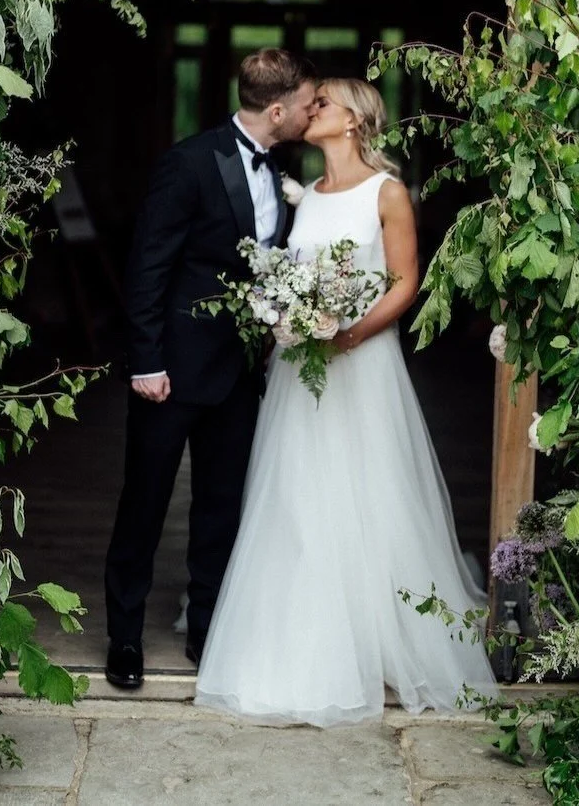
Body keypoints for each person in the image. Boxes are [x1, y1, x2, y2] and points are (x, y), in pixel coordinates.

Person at [194, 77, 497, 725]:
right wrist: (286, 322)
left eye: (323, 102)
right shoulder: (308, 197)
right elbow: (292, 278)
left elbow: (403, 282)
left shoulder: (385, 193)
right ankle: (299, 639)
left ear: (354, 120)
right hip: (300, 373)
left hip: (360, 365)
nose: (311, 110)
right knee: (298, 496)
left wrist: (349, 333)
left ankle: (382, 636)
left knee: (369, 491)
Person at [104, 48, 318, 689]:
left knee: (222, 507)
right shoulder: (190, 162)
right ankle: (124, 639)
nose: (311, 114)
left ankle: (207, 634)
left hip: (240, 372)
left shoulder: (283, 169)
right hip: (170, 372)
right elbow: (148, 267)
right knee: (144, 503)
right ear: (276, 109)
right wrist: (144, 360)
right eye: (306, 105)